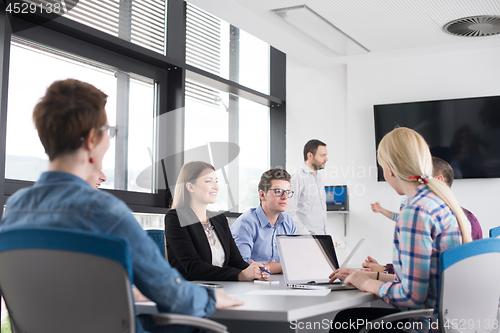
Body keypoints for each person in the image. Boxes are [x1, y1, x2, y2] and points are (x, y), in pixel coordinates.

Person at [0, 79, 242, 333]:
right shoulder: (103, 211)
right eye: (109, 131)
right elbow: (171, 294)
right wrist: (212, 298)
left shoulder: (15, 209)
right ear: (92, 139)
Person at [329, 127, 471, 332]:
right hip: (447, 322)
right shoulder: (438, 202)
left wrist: (367, 284)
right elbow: (423, 280)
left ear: (389, 168)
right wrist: (365, 276)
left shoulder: (415, 211)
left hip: (425, 325)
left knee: (346, 322)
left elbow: (411, 297)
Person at [365, 156, 482, 273]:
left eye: (420, 179)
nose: (413, 184)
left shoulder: (430, 218)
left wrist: (382, 273)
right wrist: (384, 270)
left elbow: (423, 278)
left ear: (439, 180)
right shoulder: (464, 216)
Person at [164, 161, 270, 281]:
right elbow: (193, 267)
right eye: (208, 181)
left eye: (216, 181)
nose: (216, 186)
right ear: (190, 187)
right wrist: (239, 275)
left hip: (224, 287)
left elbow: (235, 261)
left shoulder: (219, 219)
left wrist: (254, 271)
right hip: (193, 290)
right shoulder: (176, 217)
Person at [231, 168, 297, 274]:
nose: (285, 197)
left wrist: (271, 267)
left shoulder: (288, 222)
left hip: (282, 284)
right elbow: (242, 266)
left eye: (287, 192)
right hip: (250, 286)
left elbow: (296, 261)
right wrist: (281, 267)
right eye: (278, 191)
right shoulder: (246, 223)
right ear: (262, 195)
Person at [286, 139, 328, 234]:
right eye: (322, 155)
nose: (326, 159)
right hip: (306, 238)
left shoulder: (319, 178)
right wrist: (307, 234)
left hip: (320, 236)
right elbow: (288, 211)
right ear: (310, 156)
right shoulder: (297, 178)